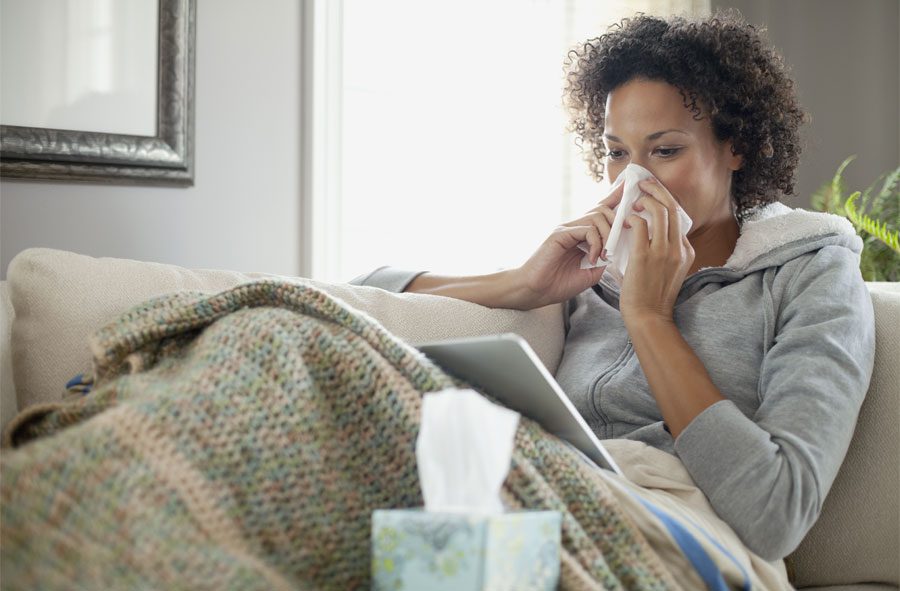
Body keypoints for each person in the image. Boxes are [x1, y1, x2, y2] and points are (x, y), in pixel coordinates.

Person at [352, 10, 876, 561]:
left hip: (676, 537)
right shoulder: (592, 267)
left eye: (665, 150)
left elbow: (776, 513)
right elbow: (358, 297)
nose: (634, 181)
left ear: (735, 147)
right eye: (617, 152)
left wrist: (649, 318)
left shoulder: (811, 274)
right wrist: (520, 285)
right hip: (540, 505)